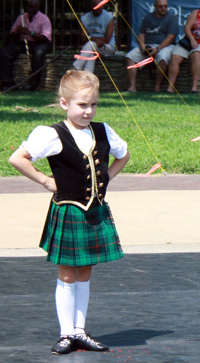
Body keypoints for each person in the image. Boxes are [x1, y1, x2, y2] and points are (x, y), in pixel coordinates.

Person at [9, 70, 130, 355]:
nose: (89, 111)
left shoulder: (102, 130)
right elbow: (17, 158)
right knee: (67, 274)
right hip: (69, 211)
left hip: (94, 211)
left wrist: (107, 178)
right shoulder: (51, 134)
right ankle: (66, 333)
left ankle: (80, 331)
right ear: (64, 103)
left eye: (94, 104)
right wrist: (46, 181)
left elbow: (123, 154)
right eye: (82, 105)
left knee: (85, 271)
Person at [126, 0, 177, 92]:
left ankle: (157, 86)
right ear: (155, 6)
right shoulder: (148, 17)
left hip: (165, 46)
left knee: (162, 58)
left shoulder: (171, 17)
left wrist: (158, 48)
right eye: (160, 6)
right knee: (130, 57)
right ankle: (132, 86)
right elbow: (141, 34)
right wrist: (142, 47)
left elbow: (171, 37)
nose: (163, 8)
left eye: (165, 6)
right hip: (148, 45)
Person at [0, 0, 52, 91]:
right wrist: (17, 31)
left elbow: (45, 38)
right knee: (4, 52)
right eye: (29, 7)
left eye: (32, 8)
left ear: (38, 7)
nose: (30, 10)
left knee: (38, 53)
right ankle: (7, 83)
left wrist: (30, 32)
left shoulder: (44, 19)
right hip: (24, 43)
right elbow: (12, 34)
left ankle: (33, 84)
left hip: (40, 44)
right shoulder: (22, 17)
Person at [72, 0, 115, 73]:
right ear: (91, 7)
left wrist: (90, 37)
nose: (98, 7)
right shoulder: (85, 18)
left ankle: (75, 68)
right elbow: (83, 38)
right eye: (95, 5)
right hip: (91, 47)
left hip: (107, 48)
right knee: (91, 50)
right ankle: (88, 77)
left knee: (90, 44)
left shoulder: (109, 17)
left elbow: (107, 40)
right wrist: (96, 39)